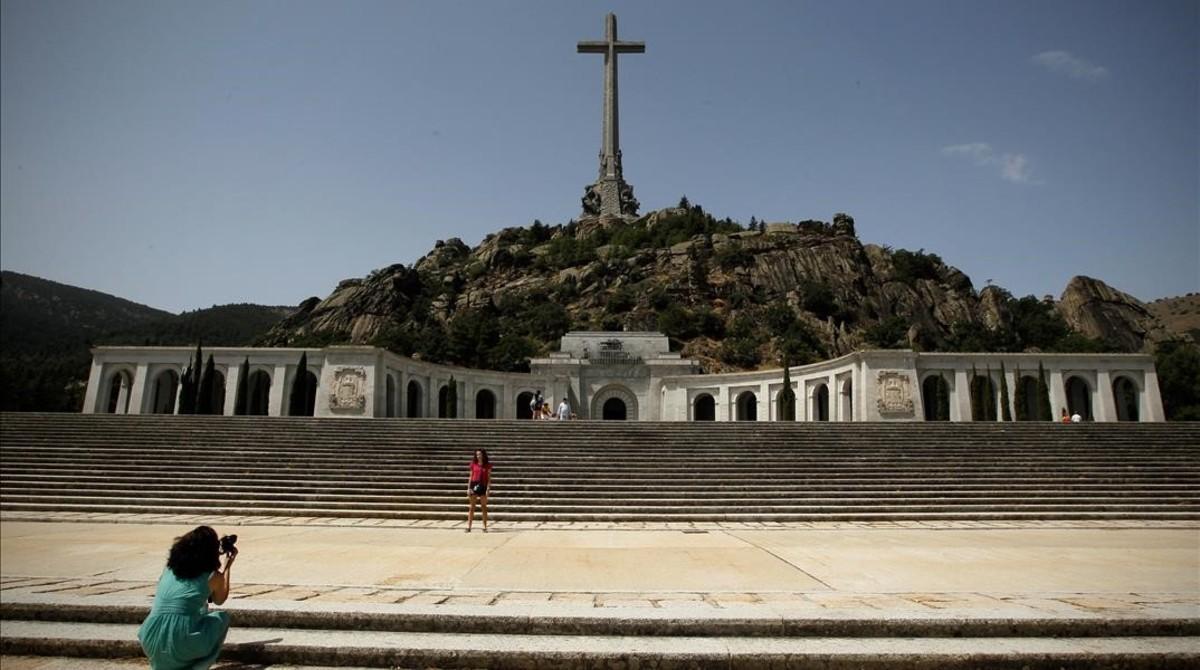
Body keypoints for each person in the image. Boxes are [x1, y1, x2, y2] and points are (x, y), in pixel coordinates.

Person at [138, 526, 237, 670]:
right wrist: (227, 567)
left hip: (150, 636)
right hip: (181, 640)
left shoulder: (169, 569)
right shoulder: (212, 575)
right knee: (222, 618)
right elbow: (220, 599)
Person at [466, 448, 493, 533]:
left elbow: (489, 478)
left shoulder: (487, 465)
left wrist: (488, 488)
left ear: (483, 455)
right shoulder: (473, 464)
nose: (479, 456)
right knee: (471, 507)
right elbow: (470, 477)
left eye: (480, 454)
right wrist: (468, 488)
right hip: (474, 485)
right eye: (477, 454)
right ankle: (469, 527)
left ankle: (484, 527)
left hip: (483, 485)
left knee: (484, 507)